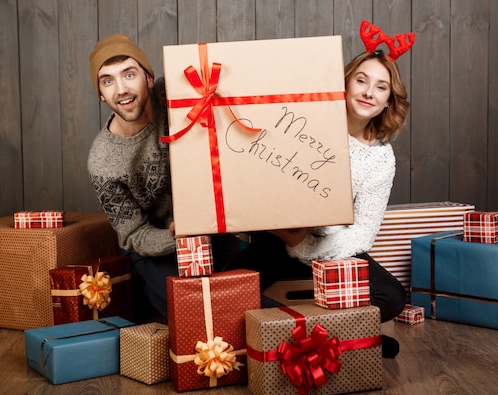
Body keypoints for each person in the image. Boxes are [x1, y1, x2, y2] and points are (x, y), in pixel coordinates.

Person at [224, 22, 413, 359]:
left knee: (393, 298)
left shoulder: (382, 159)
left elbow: (362, 236)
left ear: (388, 101)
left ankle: (299, 337)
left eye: (381, 87)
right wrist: (288, 234)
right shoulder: (305, 120)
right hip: (276, 239)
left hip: (330, 250)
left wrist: (305, 245)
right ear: (344, 83)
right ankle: (344, 337)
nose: (369, 92)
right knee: (221, 290)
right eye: (362, 80)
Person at [87, 34, 240, 321]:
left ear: (148, 77)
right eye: (108, 81)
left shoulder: (171, 94)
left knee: (257, 278)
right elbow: (133, 235)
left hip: (215, 233)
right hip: (160, 251)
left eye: (129, 74)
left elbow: (227, 82)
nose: (121, 89)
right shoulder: (102, 162)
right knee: (190, 310)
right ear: (100, 94)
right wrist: (176, 236)